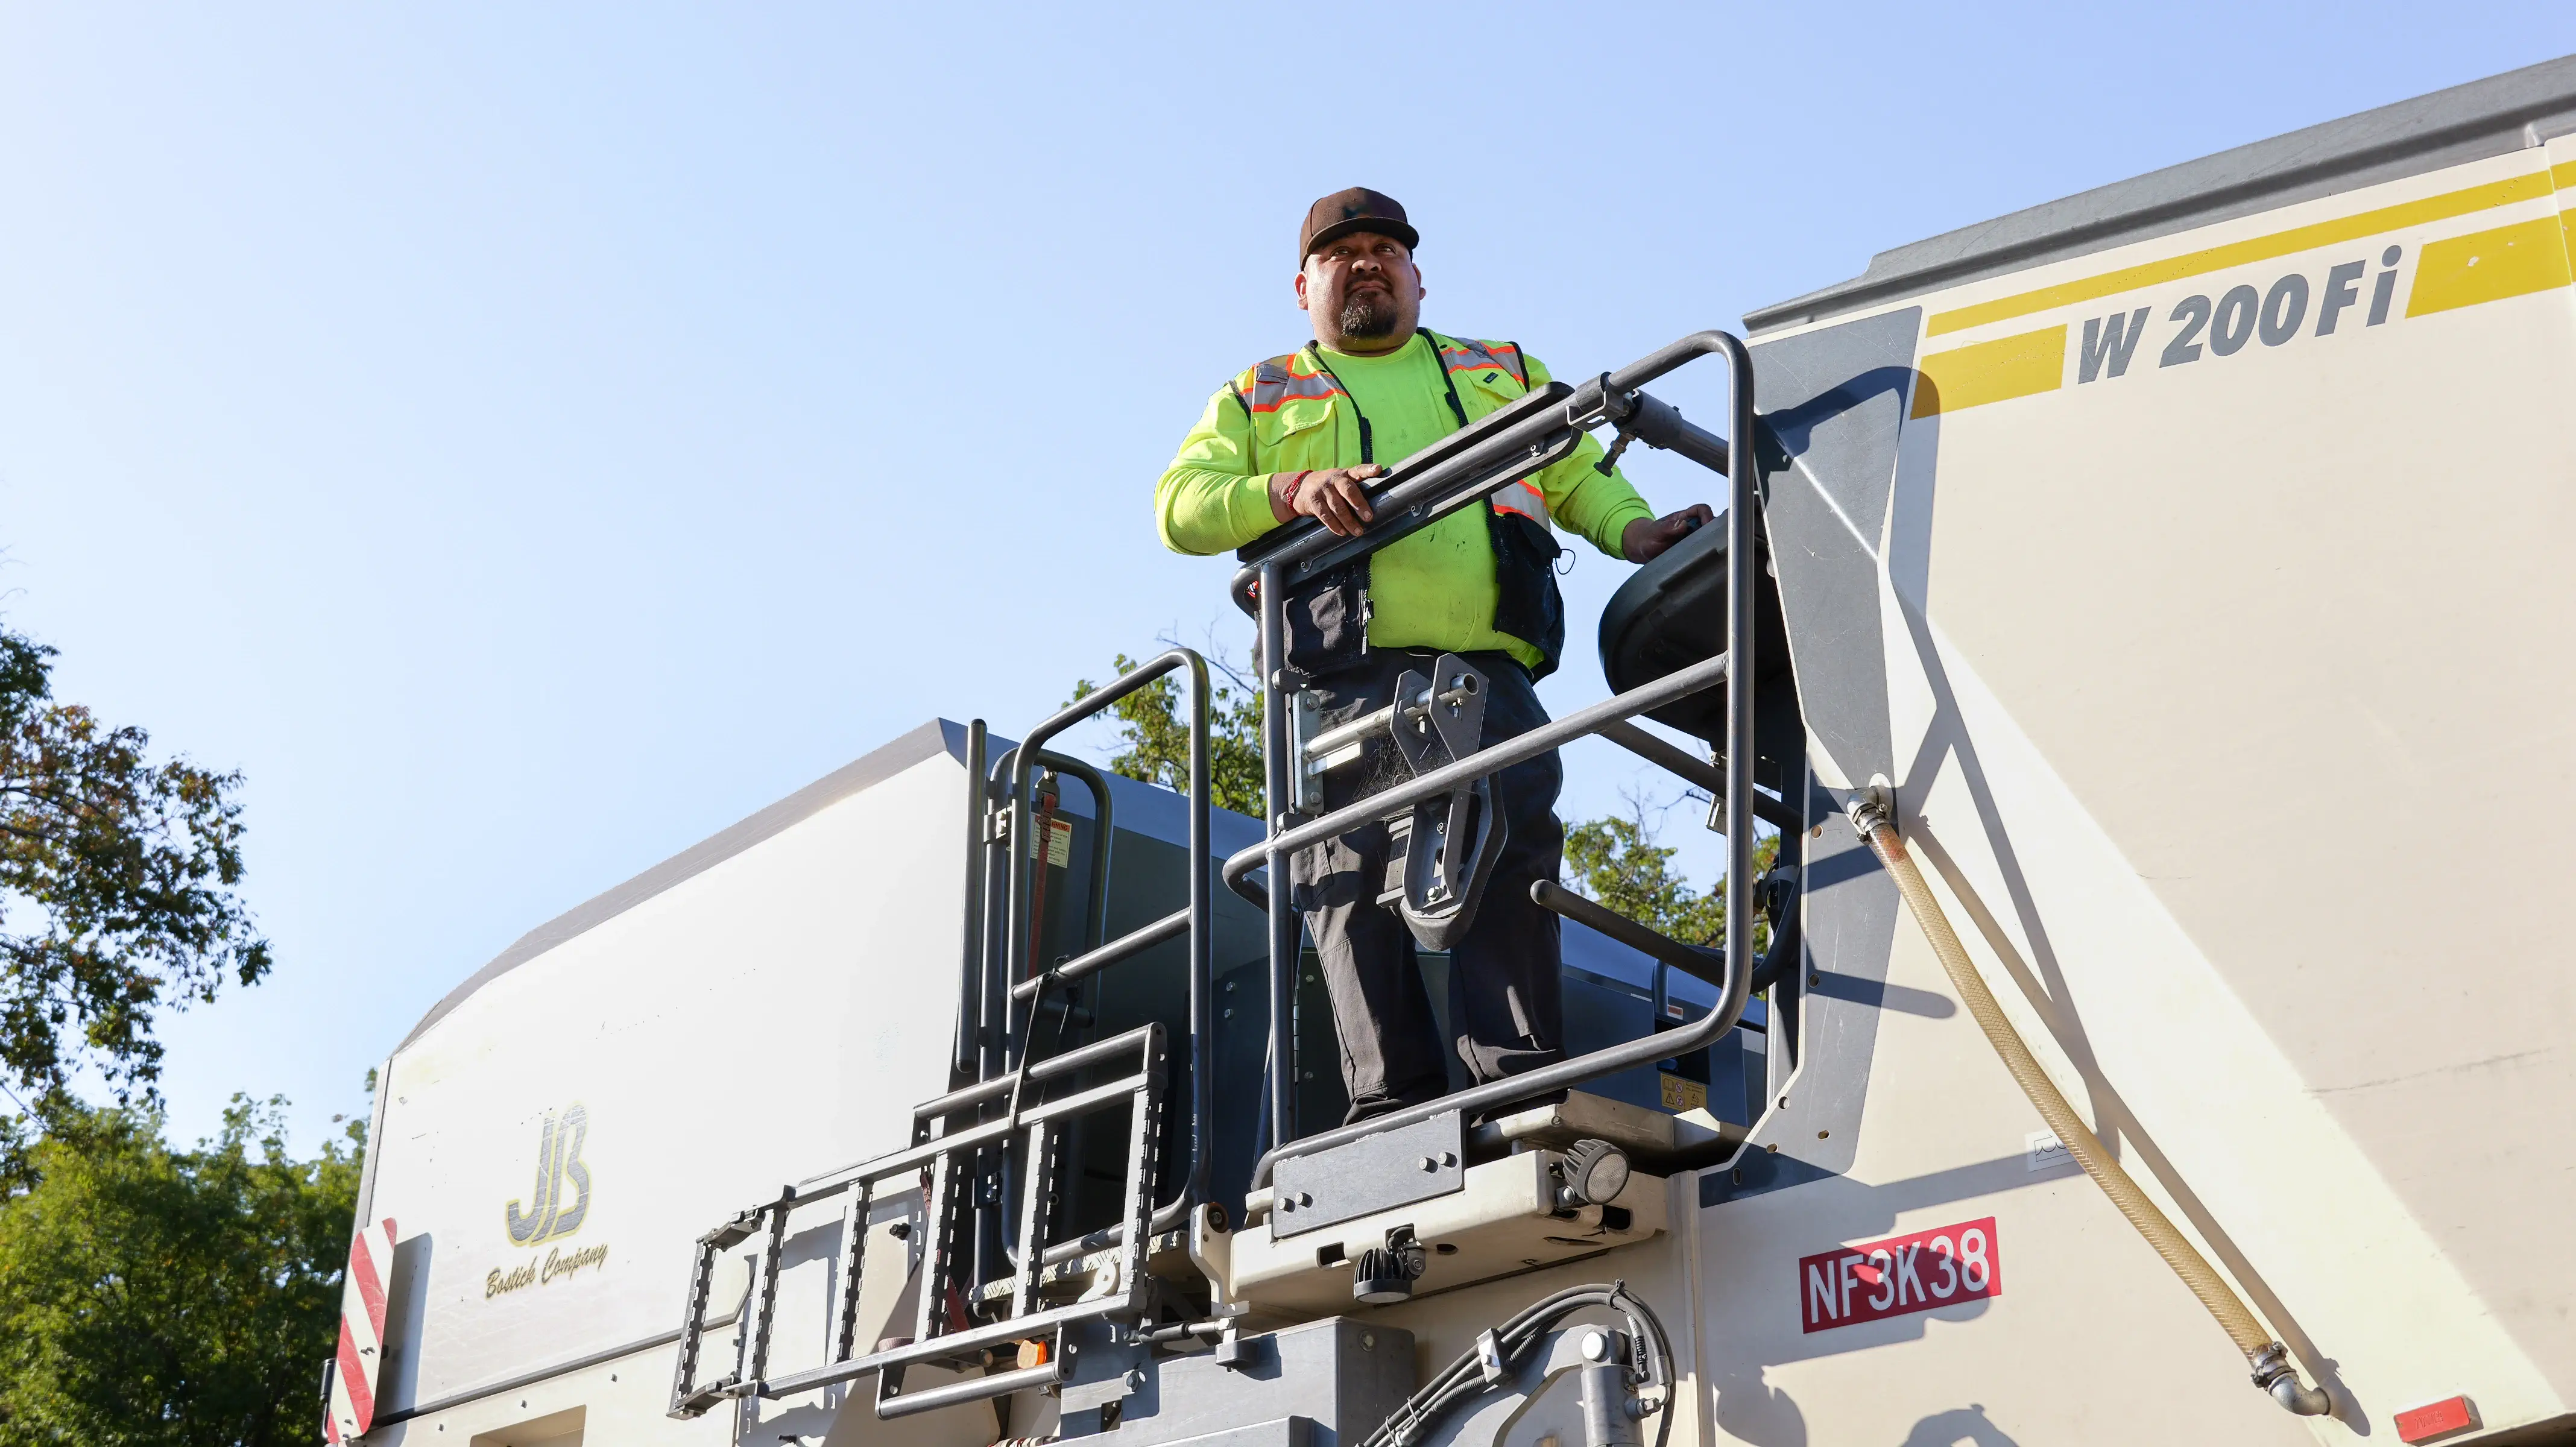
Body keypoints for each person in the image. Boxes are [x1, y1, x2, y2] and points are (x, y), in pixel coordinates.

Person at [1155, 188, 1711, 1124]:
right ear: (1306, 286)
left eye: (1385, 249)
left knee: (1510, 858)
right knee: (1347, 877)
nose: (1366, 263)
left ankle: (1519, 1091)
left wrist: (1639, 532)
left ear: (1418, 274)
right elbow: (1182, 505)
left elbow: (1577, 476)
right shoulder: (1259, 393)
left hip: (1490, 675)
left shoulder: (1498, 370)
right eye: (1342, 255)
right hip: (1340, 682)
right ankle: (1392, 1107)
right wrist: (1291, 488)